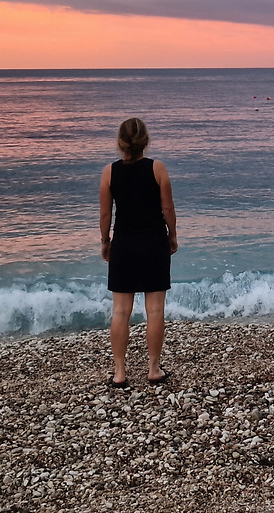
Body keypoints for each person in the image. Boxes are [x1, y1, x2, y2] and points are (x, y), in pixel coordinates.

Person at [100, 117, 178, 386]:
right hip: (153, 242)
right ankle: (153, 369)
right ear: (146, 141)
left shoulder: (109, 172)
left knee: (121, 312)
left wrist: (104, 241)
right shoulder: (158, 168)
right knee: (155, 311)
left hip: (123, 244)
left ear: (120, 143)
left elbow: (105, 213)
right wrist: (173, 235)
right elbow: (167, 209)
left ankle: (120, 372)